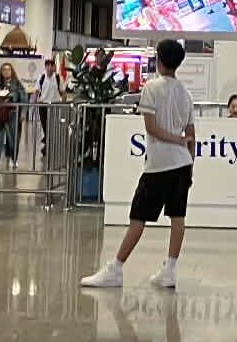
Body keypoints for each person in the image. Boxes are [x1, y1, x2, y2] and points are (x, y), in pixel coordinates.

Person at [82, 38, 195, 291]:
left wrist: (176, 140)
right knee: (178, 217)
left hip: (158, 166)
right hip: (181, 165)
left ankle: (116, 268)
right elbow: (191, 136)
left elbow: (152, 128)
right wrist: (190, 165)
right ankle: (170, 270)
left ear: (160, 60)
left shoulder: (152, 88)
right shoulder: (185, 94)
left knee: (138, 218)